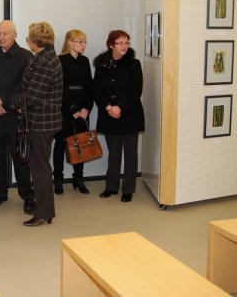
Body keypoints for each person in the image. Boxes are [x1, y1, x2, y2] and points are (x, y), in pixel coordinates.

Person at [0, 20, 35, 214]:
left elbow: (24, 85)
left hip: (14, 115)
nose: (1, 37)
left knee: (21, 159)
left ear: (15, 35)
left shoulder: (26, 57)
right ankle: (0, 193)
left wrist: (3, 101)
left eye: (5, 33)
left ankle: (28, 196)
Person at [11, 21, 63, 227]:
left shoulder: (45, 62)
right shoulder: (45, 58)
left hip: (41, 123)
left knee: (40, 169)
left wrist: (11, 101)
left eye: (28, 39)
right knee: (41, 167)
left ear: (35, 42)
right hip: (42, 121)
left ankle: (43, 213)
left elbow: (32, 97)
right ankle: (46, 211)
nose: (28, 42)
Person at [93, 30, 145, 203]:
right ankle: (111, 186)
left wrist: (119, 107)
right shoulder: (102, 64)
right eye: (120, 43)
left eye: (127, 42)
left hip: (130, 115)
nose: (124, 46)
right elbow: (96, 90)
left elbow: (136, 90)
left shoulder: (134, 64)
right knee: (113, 153)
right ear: (111, 45)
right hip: (109, 116)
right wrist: (108, 107)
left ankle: (128, 189)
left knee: (130, 154)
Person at [52, 29, 93, 195]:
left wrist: (87, 107)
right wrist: (72, 109)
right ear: (70, 42)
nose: (83, 45)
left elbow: (89, 86)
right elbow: (59, 88)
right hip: (65, 111)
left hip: (83, 112)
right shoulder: (60, 60)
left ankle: (78, 179)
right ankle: (58, 180)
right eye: (80, 41)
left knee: (80, 144)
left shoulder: (85, 61)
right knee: (60, 145)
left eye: (84, 42)